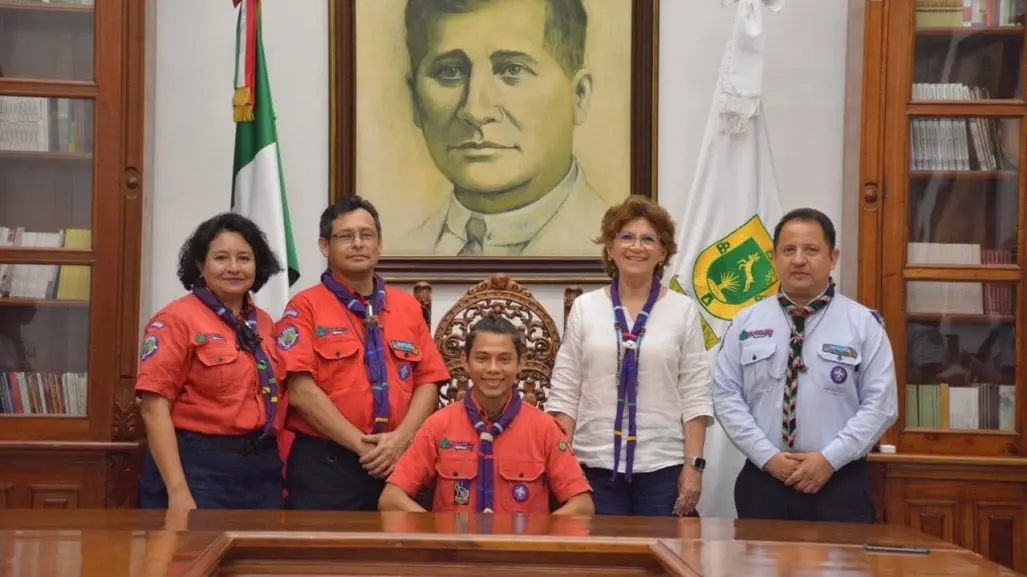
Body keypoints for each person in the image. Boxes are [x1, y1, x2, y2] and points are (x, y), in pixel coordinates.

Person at [713, 208, 898, 523]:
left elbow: (881, 406)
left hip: (838, 482)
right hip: (764, 481)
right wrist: (768, 457)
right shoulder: (746, 322)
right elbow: (725, 396)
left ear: (833, 257)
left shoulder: (863, 324)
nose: (799, 259)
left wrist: (829, 459)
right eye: (788, 250)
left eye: (811, 250)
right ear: (773, 257)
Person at [276, 196, 450, 510]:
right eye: (346, 236)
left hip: (399, 464)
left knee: (397, 558)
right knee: (330, 559)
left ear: (379, 245)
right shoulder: (304, 307)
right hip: (327, 467)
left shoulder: (407, 307)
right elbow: (300, 391)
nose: (358, 243)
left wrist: (399, 441)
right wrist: (365, 447)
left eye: (366, 235)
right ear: (325, 247)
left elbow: (429, 381)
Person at [400, 0, 609, 257]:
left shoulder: (613, 247)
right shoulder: (396, 253)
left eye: (512, 69)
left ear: (579, 95)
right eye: (450, 71)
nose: (475, 111)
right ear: (415, 101)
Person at [547, 196, 713, 516]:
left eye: (648, 239)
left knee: (657, 559)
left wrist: (694, 468)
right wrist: (563, 463)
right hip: (593, 465)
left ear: (663, 252)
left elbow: (695, 393)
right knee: (601, 563)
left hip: (662, 468)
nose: (636, 246)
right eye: (626, 237)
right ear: (610, 249)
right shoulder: (585, 307)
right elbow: (566, 391)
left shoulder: (683, 310)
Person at [135, 212, 286, 509]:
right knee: (194, 555)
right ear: (200, 265)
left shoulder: (265, 324)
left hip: (261, 469)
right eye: (221, 258)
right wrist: (178, 492)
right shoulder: (176, 320)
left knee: (262, 556)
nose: (234, 268)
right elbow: (154, 409)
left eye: (244, 258)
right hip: (199, 468)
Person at [379, 314, 594, 515]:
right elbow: (391, 499)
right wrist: (438, 530)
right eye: (482, 358)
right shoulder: (438, 426)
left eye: (504, 359)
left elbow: (582, 506)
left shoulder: (545, 429)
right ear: (465, 361)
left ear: (521, 363)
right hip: (455, 550)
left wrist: (538, 532)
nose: (492, 368)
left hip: (521, 551)